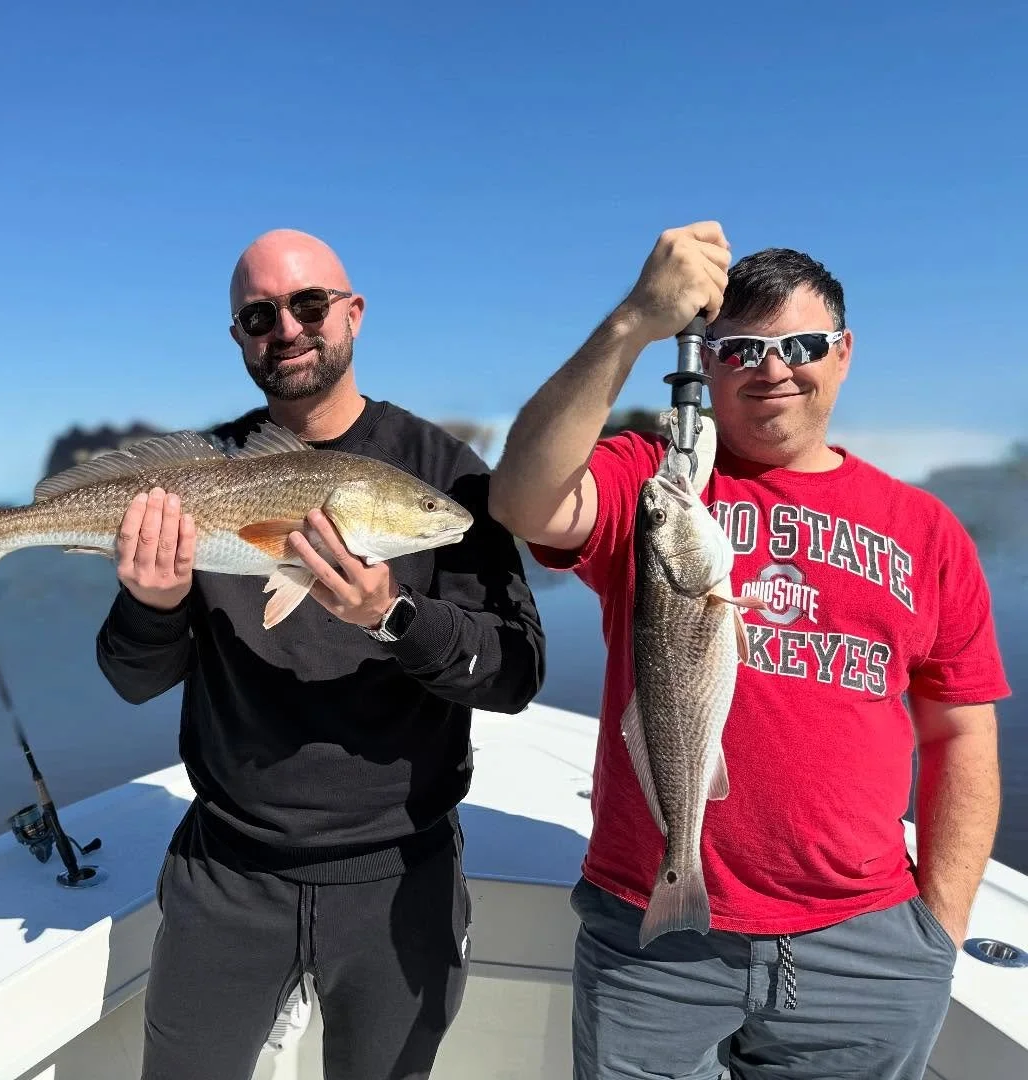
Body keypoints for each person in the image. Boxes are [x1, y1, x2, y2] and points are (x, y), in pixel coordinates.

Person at [488, 222, 1012, 1079]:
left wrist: (936, 929)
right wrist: (632, 322)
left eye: (800, 345)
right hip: (651, 931)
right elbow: (522, 499)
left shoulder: (927, 530)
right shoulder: (657, 480)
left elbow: (961, 731)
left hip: (867, 944)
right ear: (712, 362)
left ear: (843, 355)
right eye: (736, 350)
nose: (772, 368)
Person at [95, 227, 546, 1080]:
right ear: (238, 337)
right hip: (226, 872)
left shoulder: (444, 477)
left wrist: (398, 618)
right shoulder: (200, 477)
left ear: (354, 313)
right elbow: (130, 678)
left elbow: (517, 672)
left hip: (399, 876)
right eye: (259, 315)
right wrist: (152, 604)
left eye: (309, 305)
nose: (287, 329)